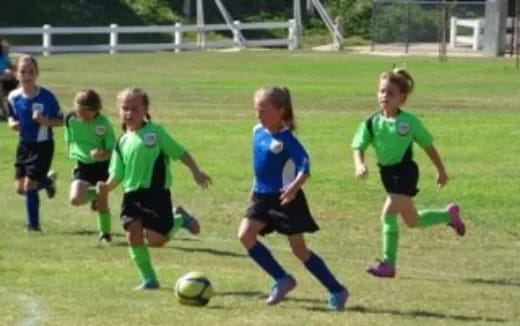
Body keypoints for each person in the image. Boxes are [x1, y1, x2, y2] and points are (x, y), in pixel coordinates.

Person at [238, 86, 349, 311]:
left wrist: (294, 188)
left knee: (299, 250)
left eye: (263, 110)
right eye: (256, 110)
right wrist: (253, 187)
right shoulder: (257, 131)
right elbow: (260, 164)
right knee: (245, 235)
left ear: (281, 111)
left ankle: (337, 290)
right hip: (261, 197)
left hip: (286, 200)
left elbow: (305, 165)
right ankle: (282, 279)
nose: (258, 115)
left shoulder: (286, 139)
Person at [351, 68, 466, 278]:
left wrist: (441, 170)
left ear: (402, 99)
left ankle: (388, 264)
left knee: (387, 214)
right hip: (387, 174)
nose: (385, 96)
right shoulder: (371, 122)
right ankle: (449, 215)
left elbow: (428, 145)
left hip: (405, 172)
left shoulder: (409, 122)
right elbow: (358, 146)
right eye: (382, 91)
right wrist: (359, 164)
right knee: (413, 221)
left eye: (391, 93)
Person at [97, 87, 211, 290]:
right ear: (118, 111)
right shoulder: (121, 142)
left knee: (156, 240)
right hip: (131, 195)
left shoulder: (155, 133)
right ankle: (149, 279)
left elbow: (180, 152)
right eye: (125, 108)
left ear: (145, 109)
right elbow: (118, 174)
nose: (129, 113)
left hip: (156, 193)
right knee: (133, 234)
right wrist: (106, 186)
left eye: (135, 109)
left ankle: (180, 218)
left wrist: (196, 171)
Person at [7, 54, 63, 231]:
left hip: (43, 145)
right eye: (23, 72)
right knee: (20, 189)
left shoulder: (47, 97)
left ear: (36, 73)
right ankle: (47, 182)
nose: (27, 76)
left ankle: (33, 226)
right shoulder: (13, 97)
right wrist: (11, 123)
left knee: (29, 185)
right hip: (24, 145)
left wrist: (45, 122)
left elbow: (61, 120)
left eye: (31, 72)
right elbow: (11, 116)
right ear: (17, 74)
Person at [64, 89, 116, 242]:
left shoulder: (103, 123)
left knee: (101, 204)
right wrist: (74, 152)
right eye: (80, 111)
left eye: (88, 112)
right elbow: (70, 139)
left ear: (96, 110)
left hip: (102, 166)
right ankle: (98, 194)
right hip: (83, 166)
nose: (84, 115)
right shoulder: (70, 119)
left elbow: (113, 150)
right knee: (75, 199)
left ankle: (105, 234)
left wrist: (102, 154)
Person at [0, 37, 18, 120]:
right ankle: (5, 112)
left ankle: (8, 112)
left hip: (6, 80)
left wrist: (15, 66)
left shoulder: (4, 58)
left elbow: (11, 67)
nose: (5, 50)